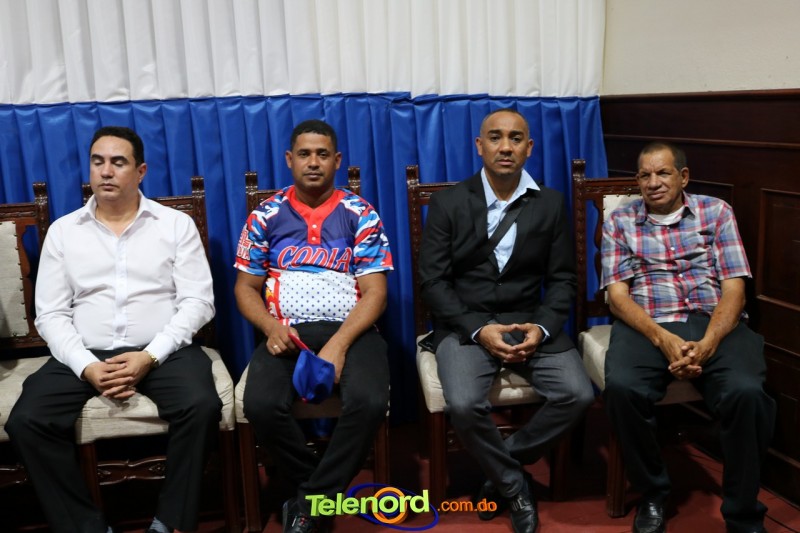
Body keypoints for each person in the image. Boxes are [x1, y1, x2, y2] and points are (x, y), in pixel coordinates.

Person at [6, 126, 221, 533]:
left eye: (118, 162)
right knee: (26, 420)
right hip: (85, 351)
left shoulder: (175, 225)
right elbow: (51, 314)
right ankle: (86, 527)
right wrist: (86, 365)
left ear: (140, 171)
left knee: (201, 406)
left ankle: (169, 523)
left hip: (163, 351)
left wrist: (150, 355)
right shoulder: (64, 231)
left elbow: (198, 302)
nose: (106, 171)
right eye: (98, 162)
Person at [418, 108, 594, 533]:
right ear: (479, 146)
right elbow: (433, 282)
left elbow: (563, 279)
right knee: (463, 403)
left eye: (516, 138)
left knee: (578, 394)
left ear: (529, 148)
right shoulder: (448, 202)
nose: (505, 147)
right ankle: (514, 486)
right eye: (495, 137)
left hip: (529, 321)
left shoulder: (550, 203)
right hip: (467, 324)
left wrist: (543, 328)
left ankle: (502, 465)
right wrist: (478, 329)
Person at [601, 142, 776, 533]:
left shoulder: (717, 212)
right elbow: (618, 296)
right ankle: (653, 492)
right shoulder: (621, 221)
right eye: (645, 175)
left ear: (683, 177)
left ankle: (744, 512)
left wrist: (709, 343)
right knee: (623, 388)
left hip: (713, 320)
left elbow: (734, 289)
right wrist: (662, 339)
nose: (653, 182)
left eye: (663, 173)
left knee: (748, 393)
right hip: (649, 321)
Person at [233, 119, 393, 533]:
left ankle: (309, 501)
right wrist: (269, 327)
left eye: (323, 154)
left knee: (370, 401)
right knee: (260, 405)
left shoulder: (361, 213)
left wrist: (339, 344)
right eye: (304, 154)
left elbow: (375, 293)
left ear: (337, 160)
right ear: (290, 159)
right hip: (286, 333)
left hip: (352, 331)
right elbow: (245, 288)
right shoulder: (265, 215)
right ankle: (318, 491)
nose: (314, 162)